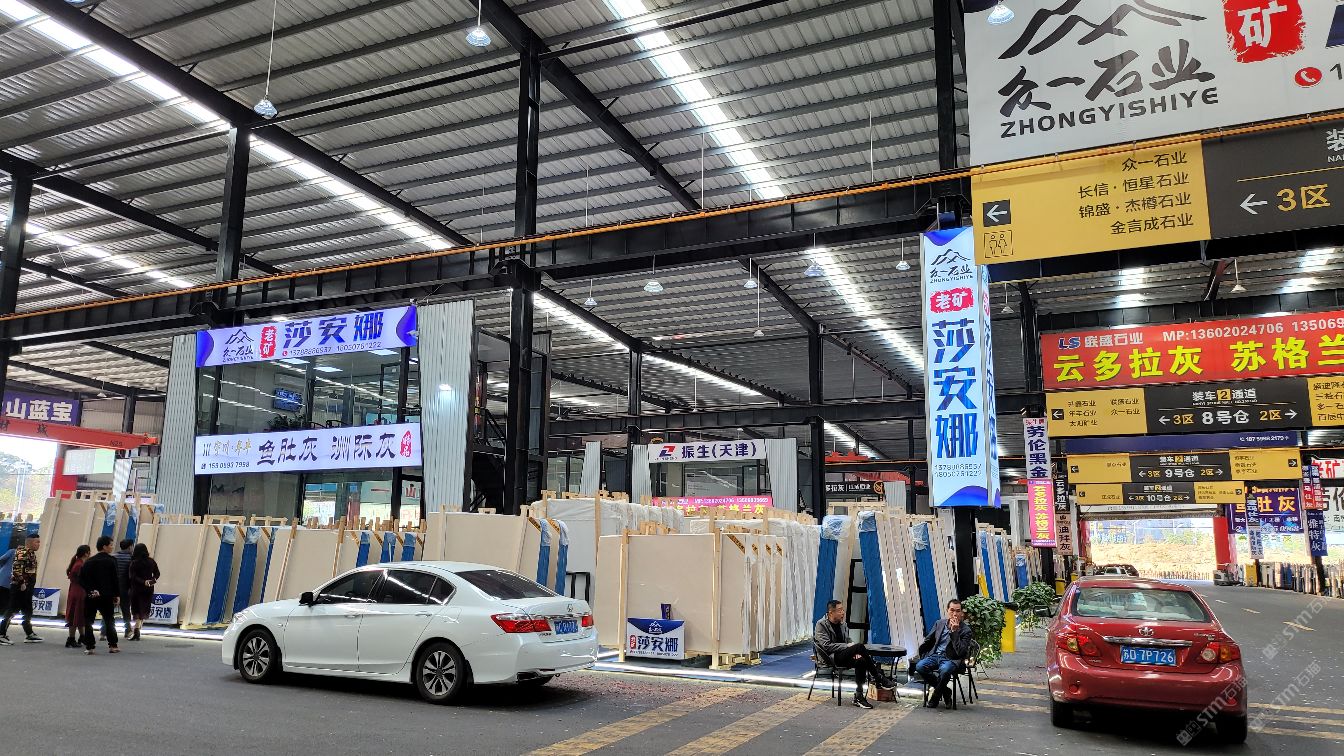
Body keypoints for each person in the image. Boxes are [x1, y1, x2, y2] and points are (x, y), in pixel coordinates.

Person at [813, 599, 896, 709]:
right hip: (830, 657)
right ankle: (878, 677)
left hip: (843, 655)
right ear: (831, 613)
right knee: (859, 646)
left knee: (861, 660)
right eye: (839, 610)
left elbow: (848, 640)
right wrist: (848, 647)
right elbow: (826, 646)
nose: (843, 612)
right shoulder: (821, 624)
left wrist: (853, 651)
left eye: (843, 610)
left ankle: (859, 696)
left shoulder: (843, 624)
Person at [915, 599, 975, 709]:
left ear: (961, 613)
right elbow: (928, 640)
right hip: (935, 655)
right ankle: (945, 691)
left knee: (945, 670)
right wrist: (924, 655)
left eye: (958, 611)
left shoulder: (966, 630)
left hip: (952, 659)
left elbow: (960, 652)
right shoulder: (939, 623)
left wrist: (954, 632)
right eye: (952, 610)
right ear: (947, 610)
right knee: (920, 666)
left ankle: (936, 696)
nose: (955, 614)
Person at [78, 536, 120, 655]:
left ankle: (90, 647)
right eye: (110, 545)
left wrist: (90, 590)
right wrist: (117, 594)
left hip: (91, 595)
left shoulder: (89, 561)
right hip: (107, 595)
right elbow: (115, 579)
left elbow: (81, 579)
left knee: (89, 621)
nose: (112, 547)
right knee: (109, 620)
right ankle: (113, 645)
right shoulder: (112, 560)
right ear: (104, 546)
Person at [0, 532, 42, 645]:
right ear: (29, 542)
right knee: (12, 610)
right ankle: (1, 634)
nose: (39, 544)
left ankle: (29, 634)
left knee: (27, 610)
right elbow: (17, 569)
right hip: (20, 587)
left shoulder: (31, 554)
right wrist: (22, 583)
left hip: (28, 587)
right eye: (37, 542)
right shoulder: (22, 552)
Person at [127, 544, 160, 641]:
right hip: (148, 589)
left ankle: (136, 630)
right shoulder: (151, 561)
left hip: (136, 589)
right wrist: (152, 580)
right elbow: (157, 573)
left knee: (136, 609)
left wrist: (143, 582)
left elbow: (132, 577)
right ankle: (137, 629)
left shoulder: (134, 563)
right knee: (143, 609)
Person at [64, 545, 91, 649]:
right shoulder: (80, 565)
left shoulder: (77, 563)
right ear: (86, 553)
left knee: (77, 615)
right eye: (89, 552)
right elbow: (82, 579)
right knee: (76, 615)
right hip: (79, 592)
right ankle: (71, 639)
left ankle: (81, 637)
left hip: (75, 591)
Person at [114, 539, 134, 637]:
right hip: (125, 587)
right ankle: (128, 630)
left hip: (113, 587)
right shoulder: (131, 559)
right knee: (126, 610)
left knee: (108, 610)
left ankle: (103, 632)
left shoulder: (114, 557)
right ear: (130, 547)